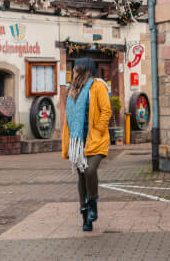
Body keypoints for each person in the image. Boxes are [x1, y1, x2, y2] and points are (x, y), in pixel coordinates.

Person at [61, 57, 111, 232]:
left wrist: (98, 129)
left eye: (76, 68)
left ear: (85, 69)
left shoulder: (98, 86)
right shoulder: (72, 90)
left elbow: (106, 110)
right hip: (77, 141)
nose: (73, 71)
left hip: (95, 139)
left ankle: (93, 202)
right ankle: (85, 217)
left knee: (90, 170)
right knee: (81, 176)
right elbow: (68, 117)